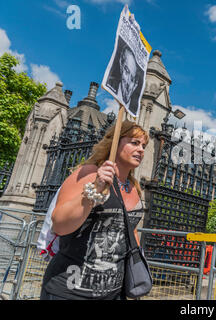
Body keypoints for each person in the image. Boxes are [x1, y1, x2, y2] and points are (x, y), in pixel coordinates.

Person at [40, 120, 149, 300]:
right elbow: (59, 225)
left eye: (143, 145)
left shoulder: (134, 187)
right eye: (134, 142)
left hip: (114, 293)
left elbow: (132, 230)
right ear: (114, 142)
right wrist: (95, 189)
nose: (141, 150)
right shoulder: (89, 173)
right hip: (70, 290)